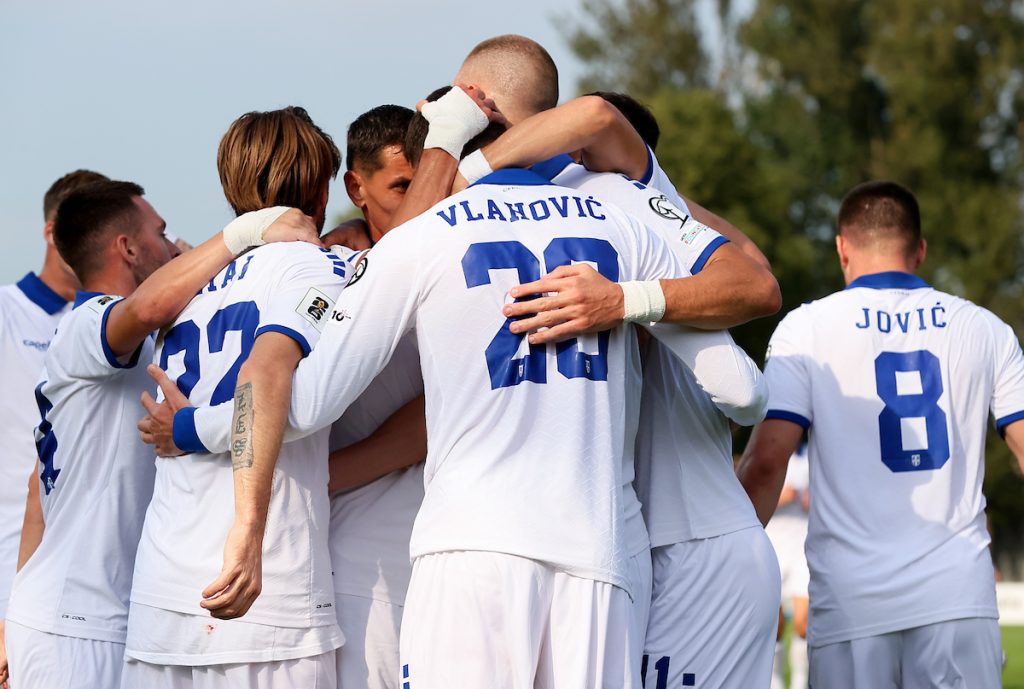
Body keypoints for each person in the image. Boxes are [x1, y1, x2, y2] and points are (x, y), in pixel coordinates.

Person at [3, 178, 314, 689]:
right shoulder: (86, 325)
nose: (172, 245)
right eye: (161, 232)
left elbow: (36, 490)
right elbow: (147, 306)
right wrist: (246, 231)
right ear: (126, 248)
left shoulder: (142, 339)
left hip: (93, 617)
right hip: (77, 624)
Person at [739, 180, 1024, 688]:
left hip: (852, 605)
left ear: (841, 248)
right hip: (956, 598)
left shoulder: (807, 329)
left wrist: (726, 561)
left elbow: (766, 463)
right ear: (920, 250)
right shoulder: (987, 329)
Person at [122, 106, 356, 689]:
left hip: (161, 599)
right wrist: (248, 529)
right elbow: (267, 373)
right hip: (263, 597)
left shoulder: (187, 285)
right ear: (320, 187)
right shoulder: (318, 269)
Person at [0, 168, 108, 685]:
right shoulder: (6, 313)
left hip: (94, 587)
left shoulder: (121, 325)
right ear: (52, 231)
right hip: (14, 570)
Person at [766, 444, 810, 689]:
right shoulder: (766, 448)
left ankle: (801, 683)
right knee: (776, 625)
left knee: (804, 624)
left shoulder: (811, 455)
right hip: (773, 545)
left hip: (801, 545)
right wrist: (783, 495)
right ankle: (775, 682)